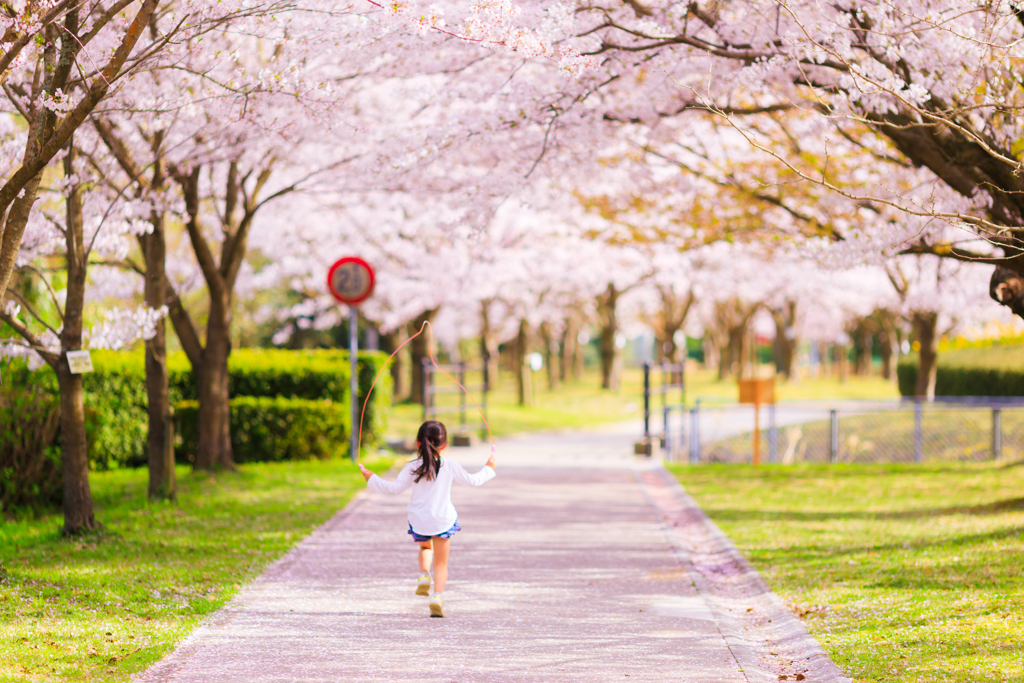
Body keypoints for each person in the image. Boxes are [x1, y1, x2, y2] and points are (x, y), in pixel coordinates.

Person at [359, 420, 497, 617]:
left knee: (425, 548)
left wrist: (371, 477)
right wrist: (490, 467)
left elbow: (393, 489)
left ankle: (424, 575)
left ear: (417, 443)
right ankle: (437, 596)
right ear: (445, 445)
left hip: (420, 520)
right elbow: (473, 481)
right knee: (441, 563)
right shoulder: (450, 466)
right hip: (442, 520)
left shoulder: (412, 467)